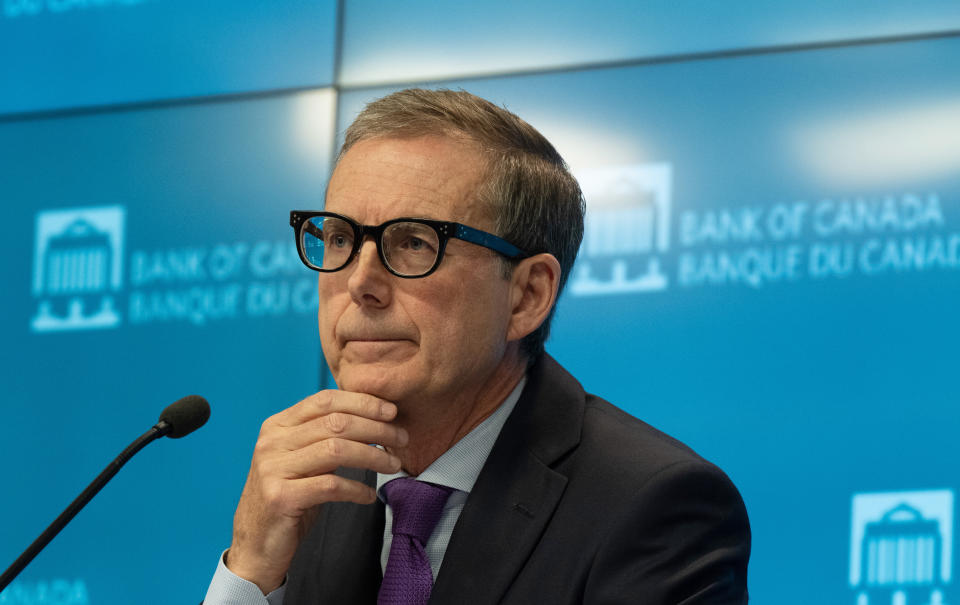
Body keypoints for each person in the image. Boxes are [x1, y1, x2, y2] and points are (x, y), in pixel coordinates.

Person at [204, 88, 750, 604]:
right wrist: (250, 571)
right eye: (342, 238)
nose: (359, 282)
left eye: (414, 242)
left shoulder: (652, 506)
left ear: (527, 296)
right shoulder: (315, 489)